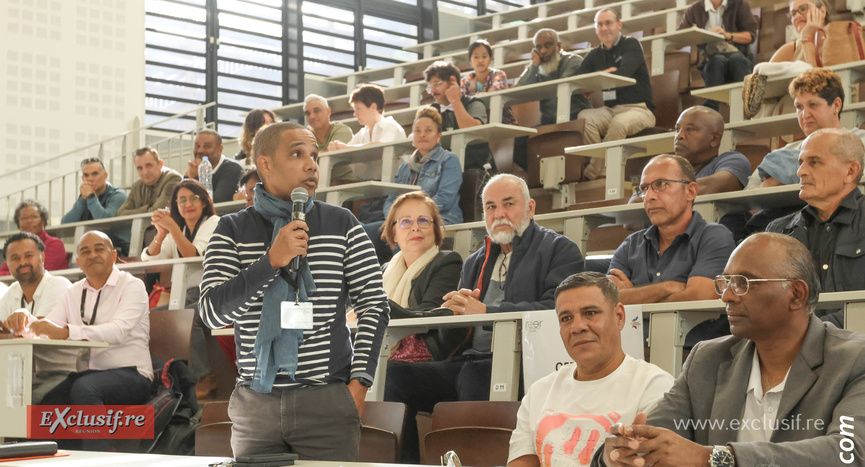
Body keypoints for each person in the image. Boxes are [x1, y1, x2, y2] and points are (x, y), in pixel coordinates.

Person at [198, 122, 389, 460]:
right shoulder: (231, 228)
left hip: (327, 400)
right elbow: (212, 311)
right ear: (265, 163)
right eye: (297, 154)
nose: (312, 165)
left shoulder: (342, 223)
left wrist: (359, 385)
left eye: (314, 155)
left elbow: (374, 305)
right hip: (256, 402)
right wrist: (270, 262)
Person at [599, 232, 865, 467]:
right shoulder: (707, 359)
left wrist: (714, 458)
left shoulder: (854, 359)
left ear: (796, 294)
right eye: (725, 282)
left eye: (743, 283)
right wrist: (620, 452)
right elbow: (649, 437)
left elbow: (848, 452)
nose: (726, 295)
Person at [385, 174, 585, 462]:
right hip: (467, 361)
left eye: (508, 204)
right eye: (490, 207)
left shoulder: (558, 249)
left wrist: (488, 312)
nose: (499, 214)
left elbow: (559, 310)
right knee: (395, 377)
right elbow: (459, 332)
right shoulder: (476, 260)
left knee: (474, 375)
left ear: (530, 208)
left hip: (523, 367)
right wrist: (453, 311)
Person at [507, 272, 675, 467]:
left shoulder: (654, 385)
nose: (577, 327)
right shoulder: (539, 391)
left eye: (590, 313)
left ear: (619, 316)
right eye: (566, 318)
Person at [29, 231, 153, 450]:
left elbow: (117, 331)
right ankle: (66, 460)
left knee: (85, 388)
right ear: (78, 261)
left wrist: (67, 332)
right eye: (85, 252)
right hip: (88, 375)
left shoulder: (132, 285)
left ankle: (97, 460)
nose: (92, 255)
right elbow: (49, 327)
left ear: (113, 256)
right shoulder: (73, 292)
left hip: (132, 373)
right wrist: (23, 321)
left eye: (99, 248)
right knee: (50, 403)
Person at [767, 128, 865, 327]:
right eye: (801, 162)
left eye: (814, 162)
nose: (800, 172)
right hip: (792, 347)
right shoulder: (778, 231)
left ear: (850, 171)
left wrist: (813, 331)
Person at [609, 155, 735, 305]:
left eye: (661, 184)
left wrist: (633, 294)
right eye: (644, 189)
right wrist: (669, 287)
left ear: (691, 191)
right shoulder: (631, 245)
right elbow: (607, 302)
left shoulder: (714, 237)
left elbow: (698, 298)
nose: (649, 196)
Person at [142, 179, 219, 397]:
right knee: (149, 319)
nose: (187, 204)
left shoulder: (214, 223)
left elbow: (193, 256)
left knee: (187, 317)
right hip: (187, 294)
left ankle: (204, 376)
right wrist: (160, 233)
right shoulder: (181, 229)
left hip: (215, 293)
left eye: (193, 198)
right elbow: (151, 261)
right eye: (181, 200)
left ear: (204, 201)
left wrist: (173, 228)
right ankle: (162, 376)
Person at [746, 68, 865, 189]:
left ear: (836, 105)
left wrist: (781, 177)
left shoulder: (860, 141)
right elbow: (750, 196)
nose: (805, 114)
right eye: (799, 107)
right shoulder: (782, 154)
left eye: (813, 105)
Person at [380, 191, 462, 362]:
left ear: (435, 229)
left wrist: (376, 311)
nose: (415, 227)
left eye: (423, 221)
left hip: (423, 354)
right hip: (381, 350)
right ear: (394, 233)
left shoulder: (447, 262)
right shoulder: (384, 270)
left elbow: (432, 312)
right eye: (405, 222)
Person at [576, 9, 656, 180]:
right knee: (584, 117)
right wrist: (606, 73)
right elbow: (578, 79)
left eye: (608, 23)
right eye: (600, 24)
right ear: (595, 29)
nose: (604, 28)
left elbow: (624, 73)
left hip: (639, 109)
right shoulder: (594, 54)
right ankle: (600, 168)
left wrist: (600, 78)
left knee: (619, 123)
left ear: (619, 24)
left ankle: (596, 172)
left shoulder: (631, 44)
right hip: (610, 109)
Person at [0, 232, 74, 403]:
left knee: (27, 402)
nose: (22, 262)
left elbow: (40, 331)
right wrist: (12, 333)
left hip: (59, 372)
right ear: (8, 264)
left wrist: (11, 332)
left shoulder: (58, 285)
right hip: (21, 373)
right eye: (15, 258)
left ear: (42, 257)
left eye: (28, 256)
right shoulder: (13, 291)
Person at [384, 106, 463, 224]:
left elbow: (444, 200)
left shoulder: (449, 160)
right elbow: (391, 200)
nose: (422, 135)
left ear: (439, 135)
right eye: (417, 130)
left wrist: (413, 215)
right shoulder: (405, 167)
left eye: (428, 130)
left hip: (440, 220)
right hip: (406, 221)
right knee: (368, 232)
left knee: (404, 234)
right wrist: (394, 218)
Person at [678, 0, 758, 110]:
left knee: (736, 59)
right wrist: (695, 32)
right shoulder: (694, 9)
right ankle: (711, 109)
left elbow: (750, 36)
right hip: (712, 59)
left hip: (740, 56)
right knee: (716, 60)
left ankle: (746, 105)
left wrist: (727, 35)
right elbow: (680, 37)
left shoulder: (739, 4)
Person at [424, 60, 495, 170]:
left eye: (437, 84)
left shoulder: (474, 104)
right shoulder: (431, 111)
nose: (433, 91)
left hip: (476, 167)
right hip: (442, 169)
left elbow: (471, 130)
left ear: (453, 81)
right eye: (430, 87)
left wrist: (455, 101)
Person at [516, 28, 590, 126]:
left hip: (575, 117)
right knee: (521, 139)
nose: (542, 51)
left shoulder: (573, 61)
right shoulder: (537, 68)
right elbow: (518, 90)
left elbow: (562, 87)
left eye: (547, 46)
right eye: (538, 47)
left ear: (558, 46)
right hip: (549, 122)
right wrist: (534, 65)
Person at [673, 106, 752, 194]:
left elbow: (713, 186)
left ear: (715, 139)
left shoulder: (734, 160)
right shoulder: (674, 171)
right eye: (677, 129)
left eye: (690, 129)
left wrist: (666, 191)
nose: (679, 136)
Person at [61, 157, 131, 255]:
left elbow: (104, 221)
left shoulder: (118, 195)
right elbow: (65, 224)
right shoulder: (86, 197)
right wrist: (82, 200)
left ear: (105, 175)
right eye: (86, 175)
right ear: (82, 178)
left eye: (95, 174)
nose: (90, 179)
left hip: (118, 250)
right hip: (92, 248)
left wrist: (90, 197)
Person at [327, 84, 406, 151]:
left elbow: (380, 148)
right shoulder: (362, 133)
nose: (355, 114)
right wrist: (336, 147)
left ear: (373, 107)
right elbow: (346, 149)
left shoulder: (391, 126)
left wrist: (346, 147)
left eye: (358, 109)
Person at [0, 200, 67, 275]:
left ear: (43, 221)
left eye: (34, 217)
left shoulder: (55, 244)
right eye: (24, 218)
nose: (29, 221)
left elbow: (35, 272)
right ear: (18, 224)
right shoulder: (18, 247)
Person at [462, 39, 517, 125]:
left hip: (503, 121)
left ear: (490, 59)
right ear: (470, 61)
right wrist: (485, 93)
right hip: (476, 121)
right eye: (476, 57)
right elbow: (461, 100)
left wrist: (472, 95)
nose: (480, 60)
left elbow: (494, 96)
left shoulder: (498, 74)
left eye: (484, 56)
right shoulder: (466, 79)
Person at [117, 146, 183, 215]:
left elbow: (157, 212)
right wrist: (147, 208)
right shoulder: (136, 186)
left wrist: (139, 211)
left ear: (160, 164)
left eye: (149, 165)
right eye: (140, 168)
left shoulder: (173, 179)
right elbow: (121, 213)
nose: (145, 172)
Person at [305, 94, 355, 183]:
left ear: (328, 111)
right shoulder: (304, 134)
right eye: (308, 113)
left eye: (316, 111)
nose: (312, 116)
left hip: (342, 182)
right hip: (316, 182)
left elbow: (331, 155)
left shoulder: (342, 130)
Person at [185, 129, 244, 203]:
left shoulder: (233, 169)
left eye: (207, 146)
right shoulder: (193, 169)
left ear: (219, 149)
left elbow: (217, 203)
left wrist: (195, 178)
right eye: (197, 146)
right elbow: (178, 202)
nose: (200, 151)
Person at [769, 0, 829, 65]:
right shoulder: (790, 50)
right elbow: (762, 73)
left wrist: (806, 36)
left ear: (822, 11)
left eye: (803, 9)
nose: (796, 17)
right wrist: (806, 36)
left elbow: (816, 73)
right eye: (793, 13)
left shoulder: (837, 42)